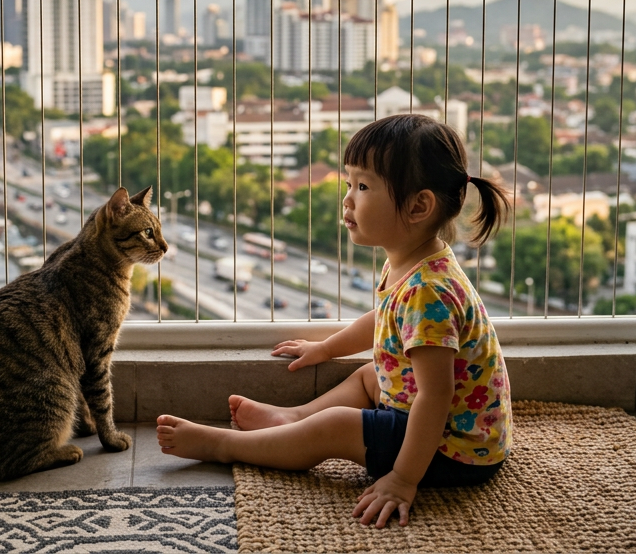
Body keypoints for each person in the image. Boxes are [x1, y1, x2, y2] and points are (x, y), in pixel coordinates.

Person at [155, 113, 512, 528]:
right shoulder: (415, 264)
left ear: (418, 205)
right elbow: (382, 319)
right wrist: (325, 348)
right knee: (367, 375)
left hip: (453, 451)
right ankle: (294, 419)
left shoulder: (428, 289)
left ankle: (226, 445)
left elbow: (435, 397)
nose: (347, 199)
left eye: (363, 187)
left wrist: (402, 479)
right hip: (446, 426)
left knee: (338, 426)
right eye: (349, 184)